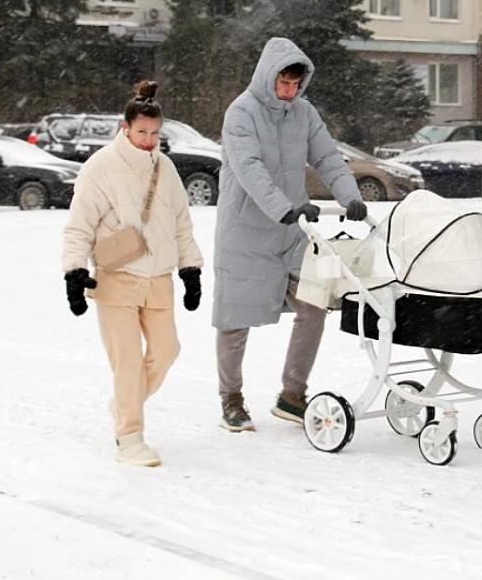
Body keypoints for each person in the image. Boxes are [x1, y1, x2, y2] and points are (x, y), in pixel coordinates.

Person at [212, 37, 367, 432]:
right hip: (246, 232)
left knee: (313, 307)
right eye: (284, 83)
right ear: (268, 77)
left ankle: (292, 394)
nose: (289, 91)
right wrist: (283, 208)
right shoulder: (241, 113)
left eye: (296, 85)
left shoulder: (303, 112)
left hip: (292, 232)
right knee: (235, 318)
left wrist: (350, 196)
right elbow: (249, 168)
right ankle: (231, 398)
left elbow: (327, 157)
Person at [61, 81, 204, 467]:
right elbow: (79, 226)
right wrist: (74, 271)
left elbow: (181, 223)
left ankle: (127, 400)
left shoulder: (165, 168)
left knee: (167, 351)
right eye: (142, 131)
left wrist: (190, 269)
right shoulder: (101, 167)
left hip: (158, 279)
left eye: (155, 133)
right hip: (117, 278)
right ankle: (129, 436)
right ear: (125, 128)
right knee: (127, 360)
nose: (149, 140)